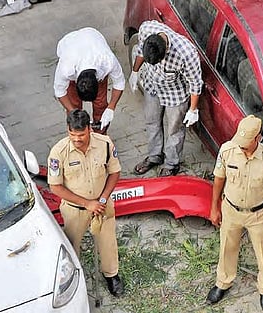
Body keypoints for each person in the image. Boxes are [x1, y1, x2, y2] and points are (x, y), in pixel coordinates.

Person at [207, 115, 263, 313]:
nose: (241, 146)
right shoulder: (227, 150)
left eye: (246, 143)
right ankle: (223, 282)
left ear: (258, 138)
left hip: (258, 214)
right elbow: (218, 179)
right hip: (231, 210)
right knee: (227, 247)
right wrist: (214, 207)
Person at [47, 109, 124, 296]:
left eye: (81, 134)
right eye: (72, 134)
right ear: (68, 130)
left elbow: (114, 172)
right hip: (74, 209)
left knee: (107, 241)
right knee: (72, 245)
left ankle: (111, 275)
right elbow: (55, 187)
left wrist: (103, 199)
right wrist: (87, 203)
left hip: (102, 205)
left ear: (89, 129)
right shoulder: (59, 152)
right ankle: (73, 279)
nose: (77, 139)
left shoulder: (104, 144)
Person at [129, 20, 203, 177]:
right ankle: (155, 156)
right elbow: (141, 53)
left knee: (174, 130)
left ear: (166, 51)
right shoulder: (146, 28)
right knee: (151, 121)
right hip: (152, 85)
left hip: (175, 93)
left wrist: (193, 109)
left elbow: (195, 82)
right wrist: (135, 72)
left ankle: (171, 164)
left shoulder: (186, 53)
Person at [54, 27, 125, 134]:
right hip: (70, 43)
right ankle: (77, 135)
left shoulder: (107, 61)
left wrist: (111, 107)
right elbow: (59, 92)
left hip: (94, 37)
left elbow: (119, 83)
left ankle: (100, 135)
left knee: (101, 105)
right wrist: (72, 111)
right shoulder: (66, 67)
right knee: (73, 105)